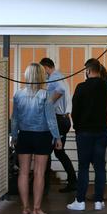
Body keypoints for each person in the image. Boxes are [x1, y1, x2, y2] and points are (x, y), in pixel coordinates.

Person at [10, 63, 62, 214]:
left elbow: (15, 119)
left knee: (23, 172)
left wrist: (14, 136)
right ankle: (36, 209)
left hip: (24, 135)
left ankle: (25, 209)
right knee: (39, 172)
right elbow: (51, 119)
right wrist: (57, 137)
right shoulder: (45, 95)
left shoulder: (18, 95)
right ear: (41, 76)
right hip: (42, 136)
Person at [67, 59, 107, 211]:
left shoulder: (81, 87)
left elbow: (75, 111)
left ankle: (80, 201)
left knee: (83, 166)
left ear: (88, 70)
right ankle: (99, 201)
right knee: (100, 167)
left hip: (84, 132)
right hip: (102, 131)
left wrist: (78, 128)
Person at [39, 57, 78, 194]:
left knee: (46, 152)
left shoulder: (54, 78)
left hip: (58, 120)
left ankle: (44, 186)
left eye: (42, 69)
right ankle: (73, 181)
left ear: (46, 67)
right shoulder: (60, 76)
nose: (42, 73)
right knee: (59, 152)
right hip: (64, 119)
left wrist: (48, 102)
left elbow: (60, 90)